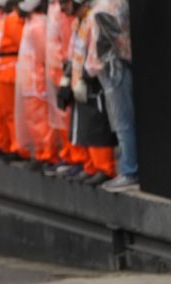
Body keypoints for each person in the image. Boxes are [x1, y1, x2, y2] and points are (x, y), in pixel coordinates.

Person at [59, 0, 116, 185]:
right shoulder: (79, 22)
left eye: (66, 3)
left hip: (93, 82)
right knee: (83, 125)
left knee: (96, 124)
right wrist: (66, 79)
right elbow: (72, 53)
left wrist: (86, 77)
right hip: (79, 81)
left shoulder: (93, 19)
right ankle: (90, 165)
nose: (63, 8)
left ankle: (105, 167)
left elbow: (98, 54)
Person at [86, 0, 137, 192]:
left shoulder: (106, 9)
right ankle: (129, 168)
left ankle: (129, 170)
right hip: (114, 69)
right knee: (122, 123)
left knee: (123, 123)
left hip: (115, 70)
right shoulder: (114, 6)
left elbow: (118, 44)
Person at [44, 0, 88, 178]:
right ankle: (69, 155)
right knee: (62, 118)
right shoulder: (54, 6)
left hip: (66, 69)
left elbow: (71, 41)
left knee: (71, 118)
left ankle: (80, 158)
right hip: (55, 69)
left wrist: (67, 71)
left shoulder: (65, 10)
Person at [16, 0, 58, 170]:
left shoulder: (38, 25)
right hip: (29, 81)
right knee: (34, 121)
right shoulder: (31, 23)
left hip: (37, 81)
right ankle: (41, 153)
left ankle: (48, 154)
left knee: (42, 121)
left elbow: (43, 55)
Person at [0, 0, 27, 161]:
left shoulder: (14, 19)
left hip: (8, 69)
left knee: (10, 112)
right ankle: (6, 144)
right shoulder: (8, 17)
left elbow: (20, 43)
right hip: (1, 69)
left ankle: (17, 148)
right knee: (2, 111)